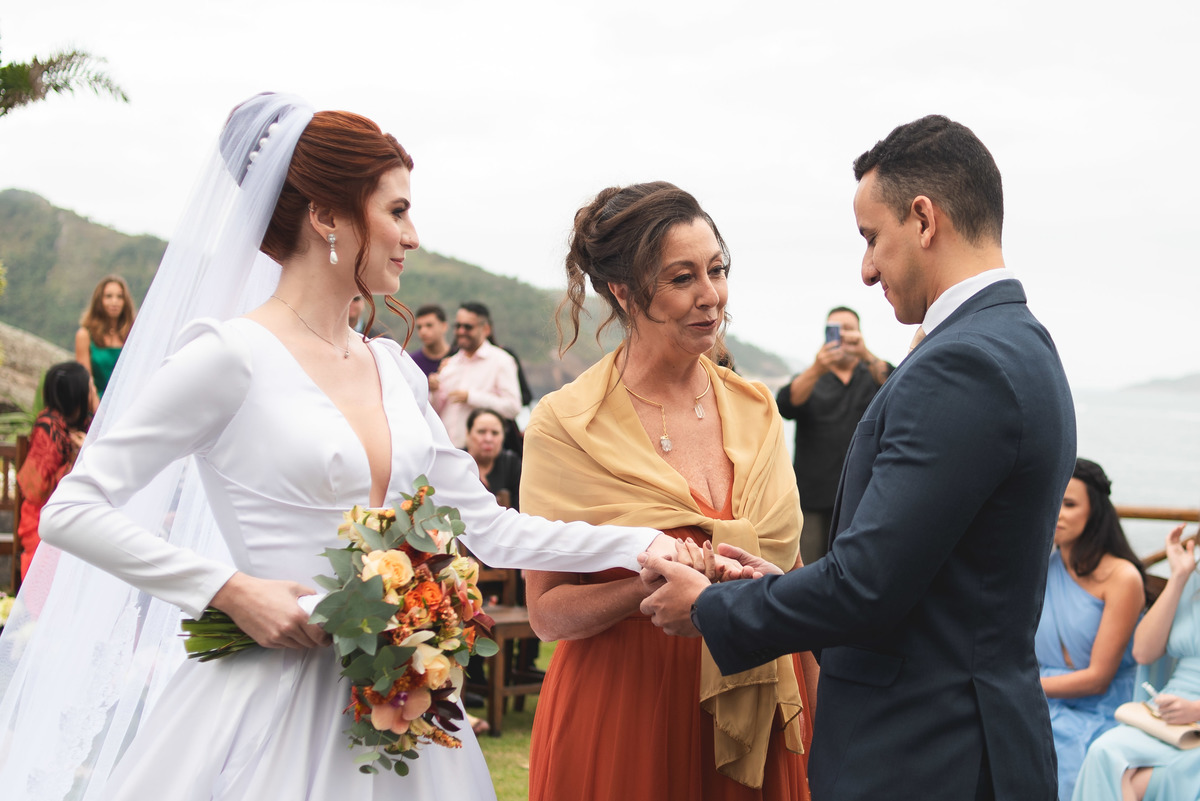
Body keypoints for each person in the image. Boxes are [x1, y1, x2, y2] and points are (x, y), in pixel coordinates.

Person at [0, 92, 679, 800]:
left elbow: (489, 528)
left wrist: (644, 544)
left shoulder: (392, 368)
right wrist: (230, 590)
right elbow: (71, 509)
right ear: (326, 216)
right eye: (396, 210)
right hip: (269, 707)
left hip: (401, 713)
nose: (413, 235)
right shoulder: (229, 357)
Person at [640, 115, 1077, 800]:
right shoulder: (1022, 342)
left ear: (924, 219)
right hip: (968, 740)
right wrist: (770, 585)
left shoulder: (961, 363)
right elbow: (928, 572)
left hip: (925, 754)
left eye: (872, 237)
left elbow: (868, 585)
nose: (867, 268)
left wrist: (712, 607)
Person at [522, 182, 815, 800]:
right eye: (682, 278)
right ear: (623, 292)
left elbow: (791, 572)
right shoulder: (567, 424)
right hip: (628, 711)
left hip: (761, 708)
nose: (711, 297)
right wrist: (641, 588)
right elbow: (546, 613)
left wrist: (824, 714)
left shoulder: (758, 408)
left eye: (717, 270)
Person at [1036, 458, 1146, 801]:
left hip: (1099, 708)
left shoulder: (1121, 578)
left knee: (1057, 754)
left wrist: (1020, 688)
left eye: (1069, 504)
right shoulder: (1039, 567)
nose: (1057, 511)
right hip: (1039, 699)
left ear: (1094, 511)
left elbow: (1097, 678)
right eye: (1053, 500)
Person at [1073, 524, 1200, 800]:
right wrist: (1178, 577)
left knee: (1143, 781)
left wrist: (1196, 709)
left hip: (1194, 716)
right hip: (1168, 712)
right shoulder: (1193, 581)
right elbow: (1144, 652)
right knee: (1104, 752)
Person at [775, 306, 890, 564]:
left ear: (860, 333)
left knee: (859, 565)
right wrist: (817, 368)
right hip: (812, 495)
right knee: (809, 567)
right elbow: (785, 405)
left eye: (849, 329)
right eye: (836, 330)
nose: (844, 336)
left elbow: (900, 388)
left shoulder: (873, 374)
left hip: (865, 494)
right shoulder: (811, 377)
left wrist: (865, 353)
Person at [14, 362, 95, 579]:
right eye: (90, 387)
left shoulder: (88, 423)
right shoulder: (48, 427)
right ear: (77, 393)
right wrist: (74, 460)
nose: (93, 390)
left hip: (78, 513)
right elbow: (35, 489)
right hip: (43, 515)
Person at [431, 301, 522, 447]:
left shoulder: (501, 361)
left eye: (468, 327)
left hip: (480, 454)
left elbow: (512, 408)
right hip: (445, 449)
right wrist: (433, 391)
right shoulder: (451, 363)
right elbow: (436, 410)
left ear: (485, 329)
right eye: (458, 326)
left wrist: (471, 397)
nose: (461, 331)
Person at [74, 274, 136, 398]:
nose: (114, 302)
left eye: (120, 297)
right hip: (96, 405)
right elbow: (86, 382)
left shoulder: (133, 335)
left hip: (127, 402)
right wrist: (99, 411)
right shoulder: (85, 335)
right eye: (108, 296)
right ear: (99, 300)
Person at [464, 407, 521, 510]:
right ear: (468, 434)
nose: (488, 439)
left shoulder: (512, 464)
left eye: (495, 433)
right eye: (481, 432)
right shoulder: (456, 463)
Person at [410, 302, 451, 377]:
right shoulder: (411, 362)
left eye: (429, 325)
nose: (423, 331)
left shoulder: (458, 358)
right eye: (419, 327)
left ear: (444, 326)